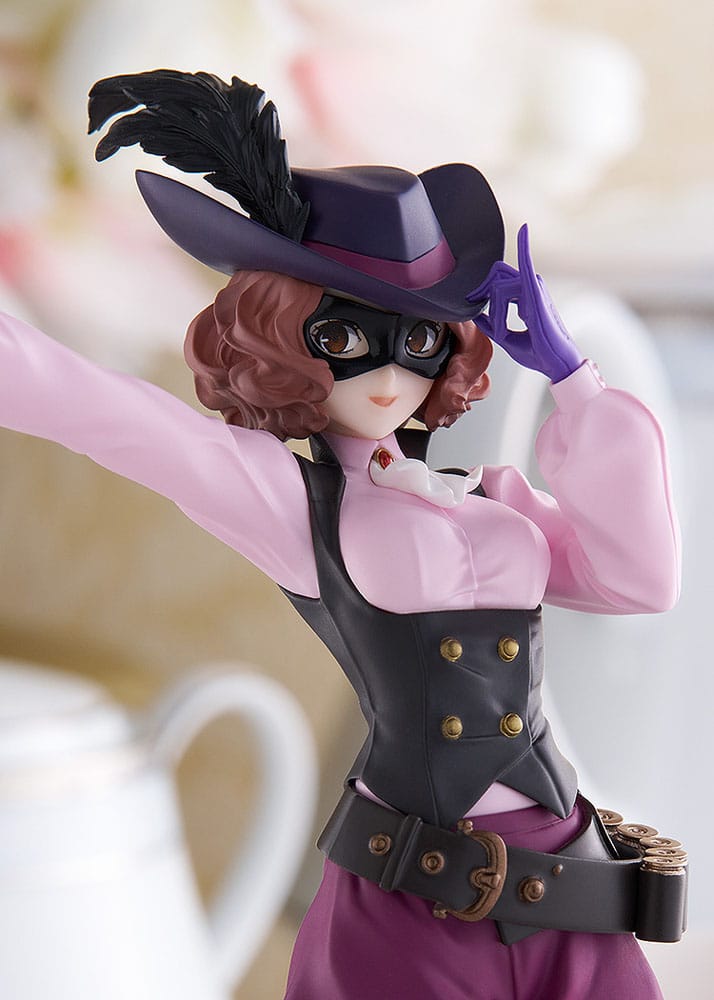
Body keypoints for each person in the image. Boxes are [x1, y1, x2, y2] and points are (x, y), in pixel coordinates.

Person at [0, 70, 684, 999]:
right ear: (283, 336)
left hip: (573, 886)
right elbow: (98, 409)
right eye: (348, 338)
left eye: (419, 339)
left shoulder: (494, 497)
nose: (392, 376)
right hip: (415, 895)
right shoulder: (293, 502)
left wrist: (576, 381)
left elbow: (640, 579)